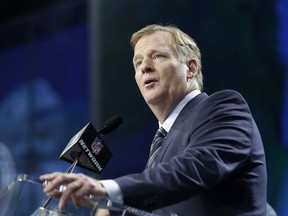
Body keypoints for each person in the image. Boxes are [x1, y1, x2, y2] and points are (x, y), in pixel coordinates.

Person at [40, 24, 267, 216]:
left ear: (190, 68)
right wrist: (109, 208)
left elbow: (193, 170)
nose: (145, 67)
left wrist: (108, 189)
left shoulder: (223, 107)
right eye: (138, 63)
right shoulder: (161, 143)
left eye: (157, 56)